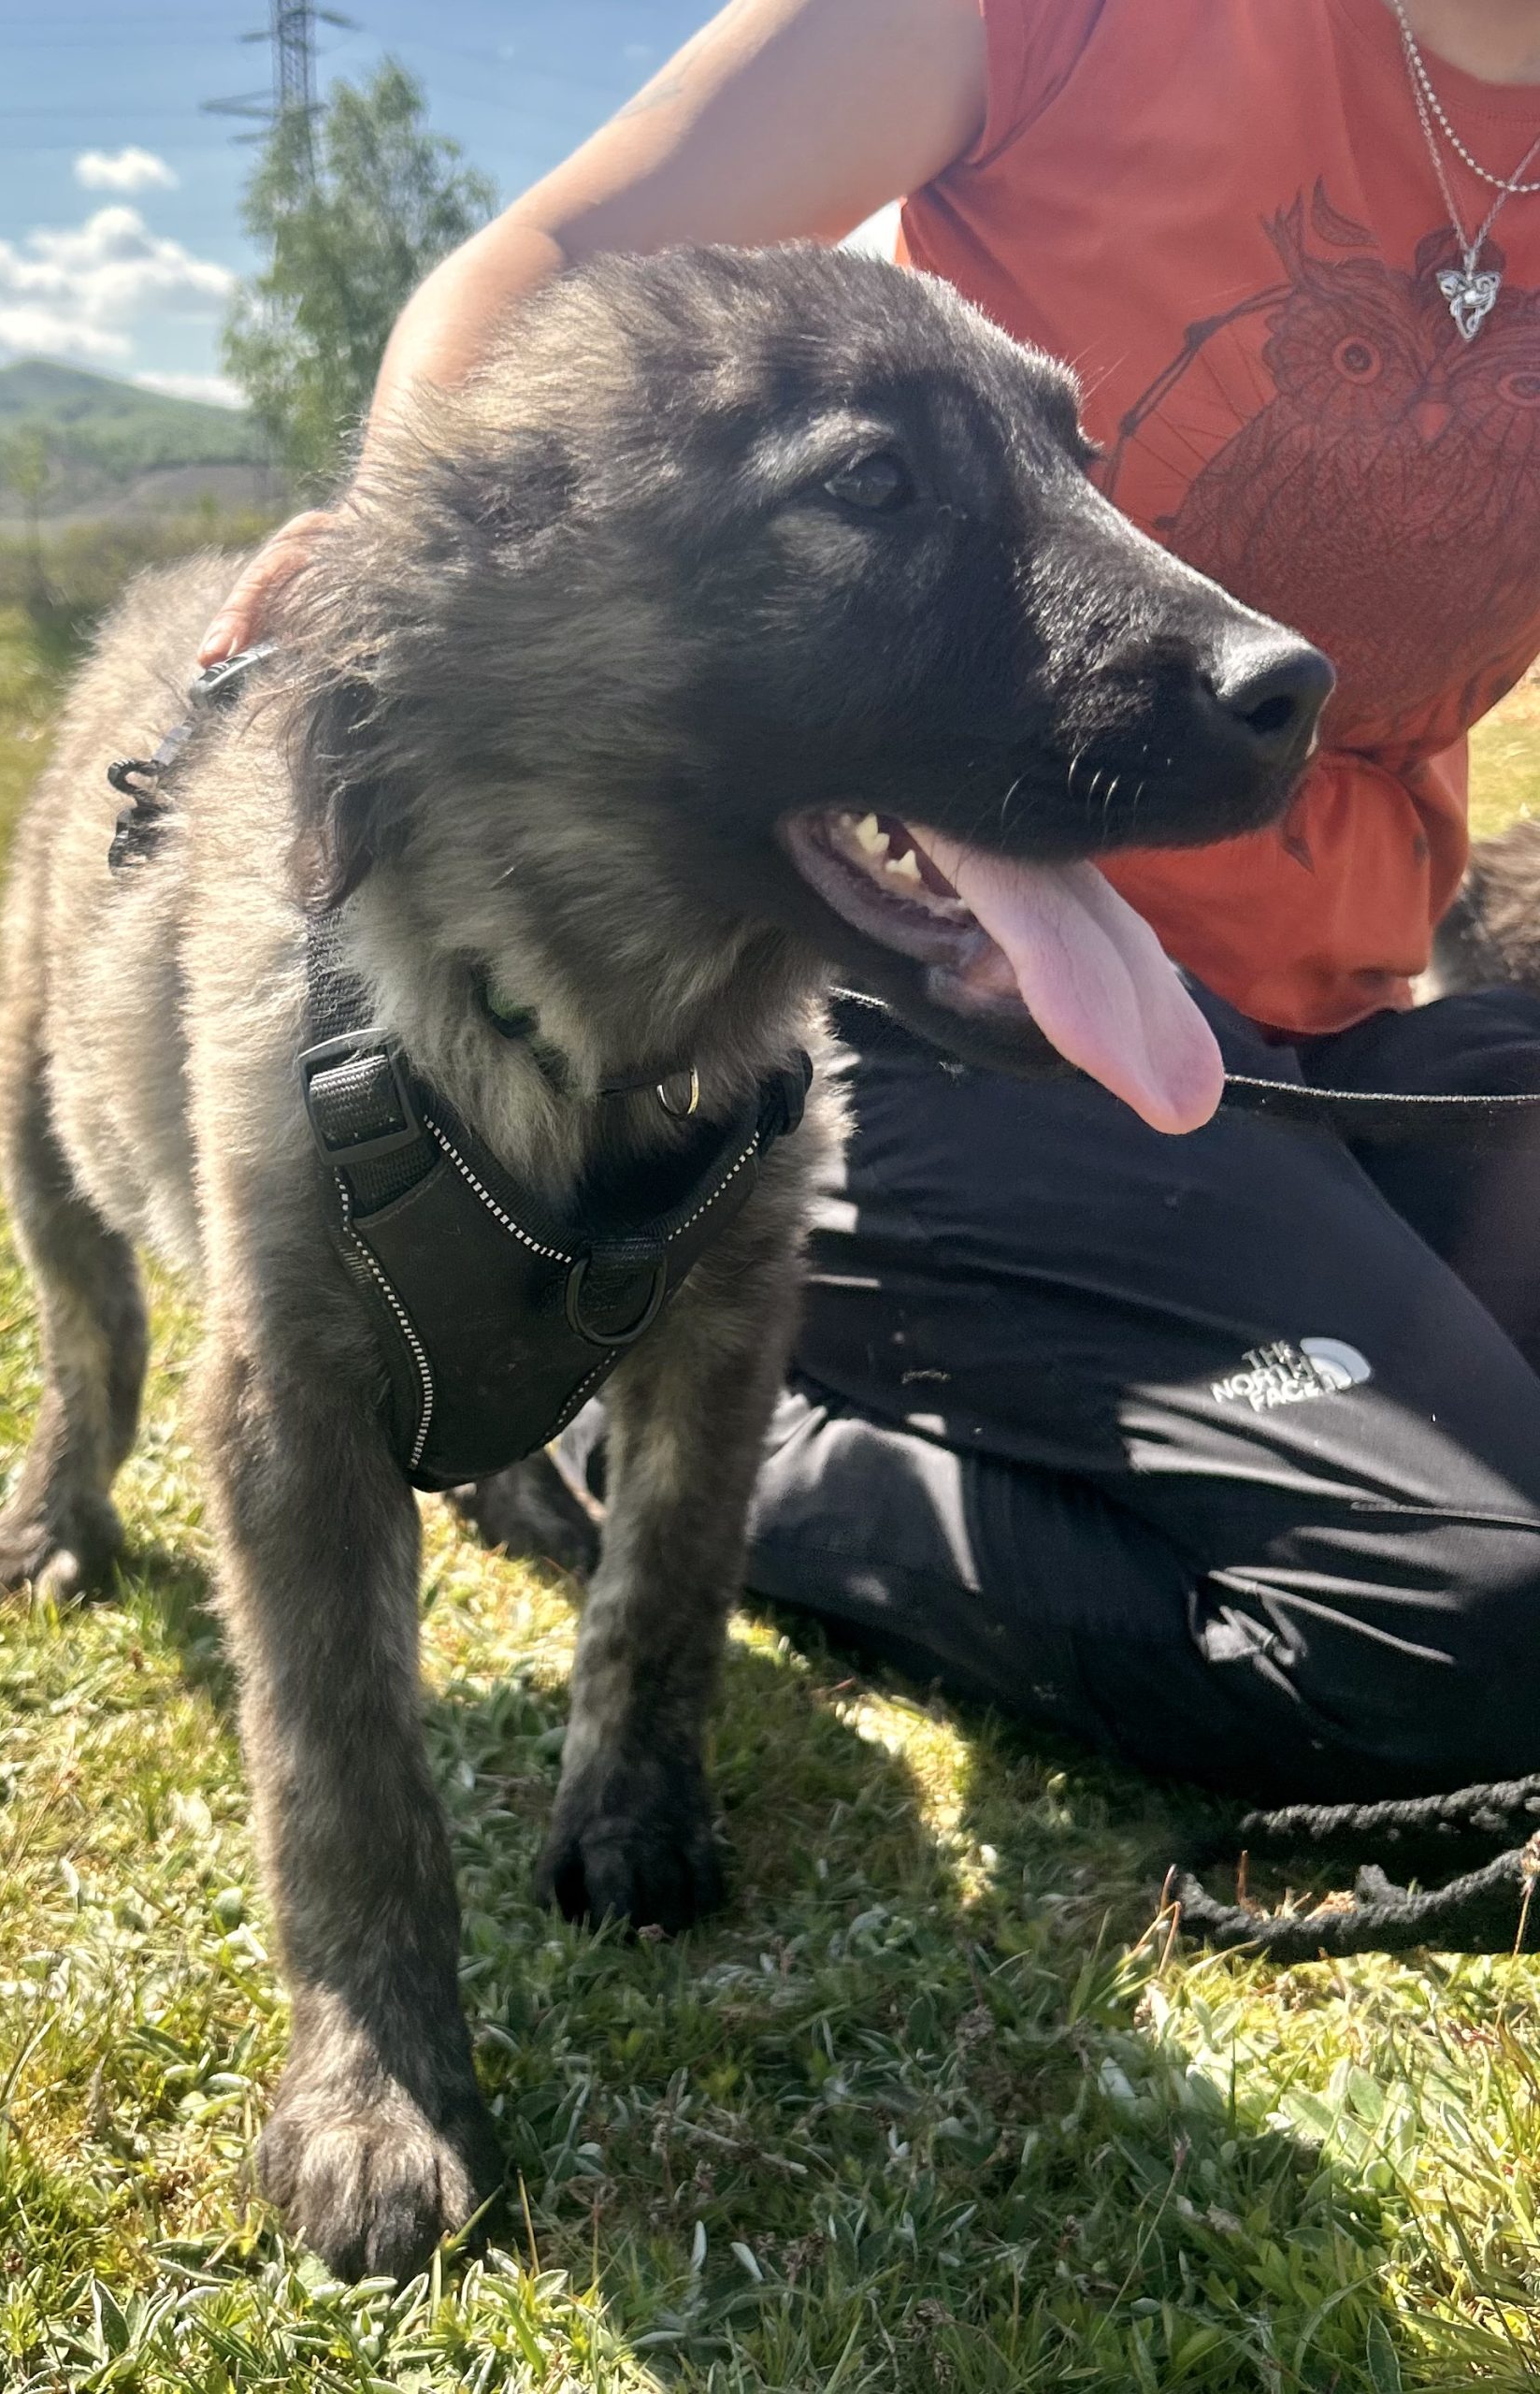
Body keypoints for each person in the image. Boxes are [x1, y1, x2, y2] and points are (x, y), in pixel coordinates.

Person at [204, 0, 1540, 1802]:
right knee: (1471, 1621)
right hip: (932, 1007)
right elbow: (549, 278)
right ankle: (667, 1437)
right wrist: (400, 587)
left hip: (1328, 1033)